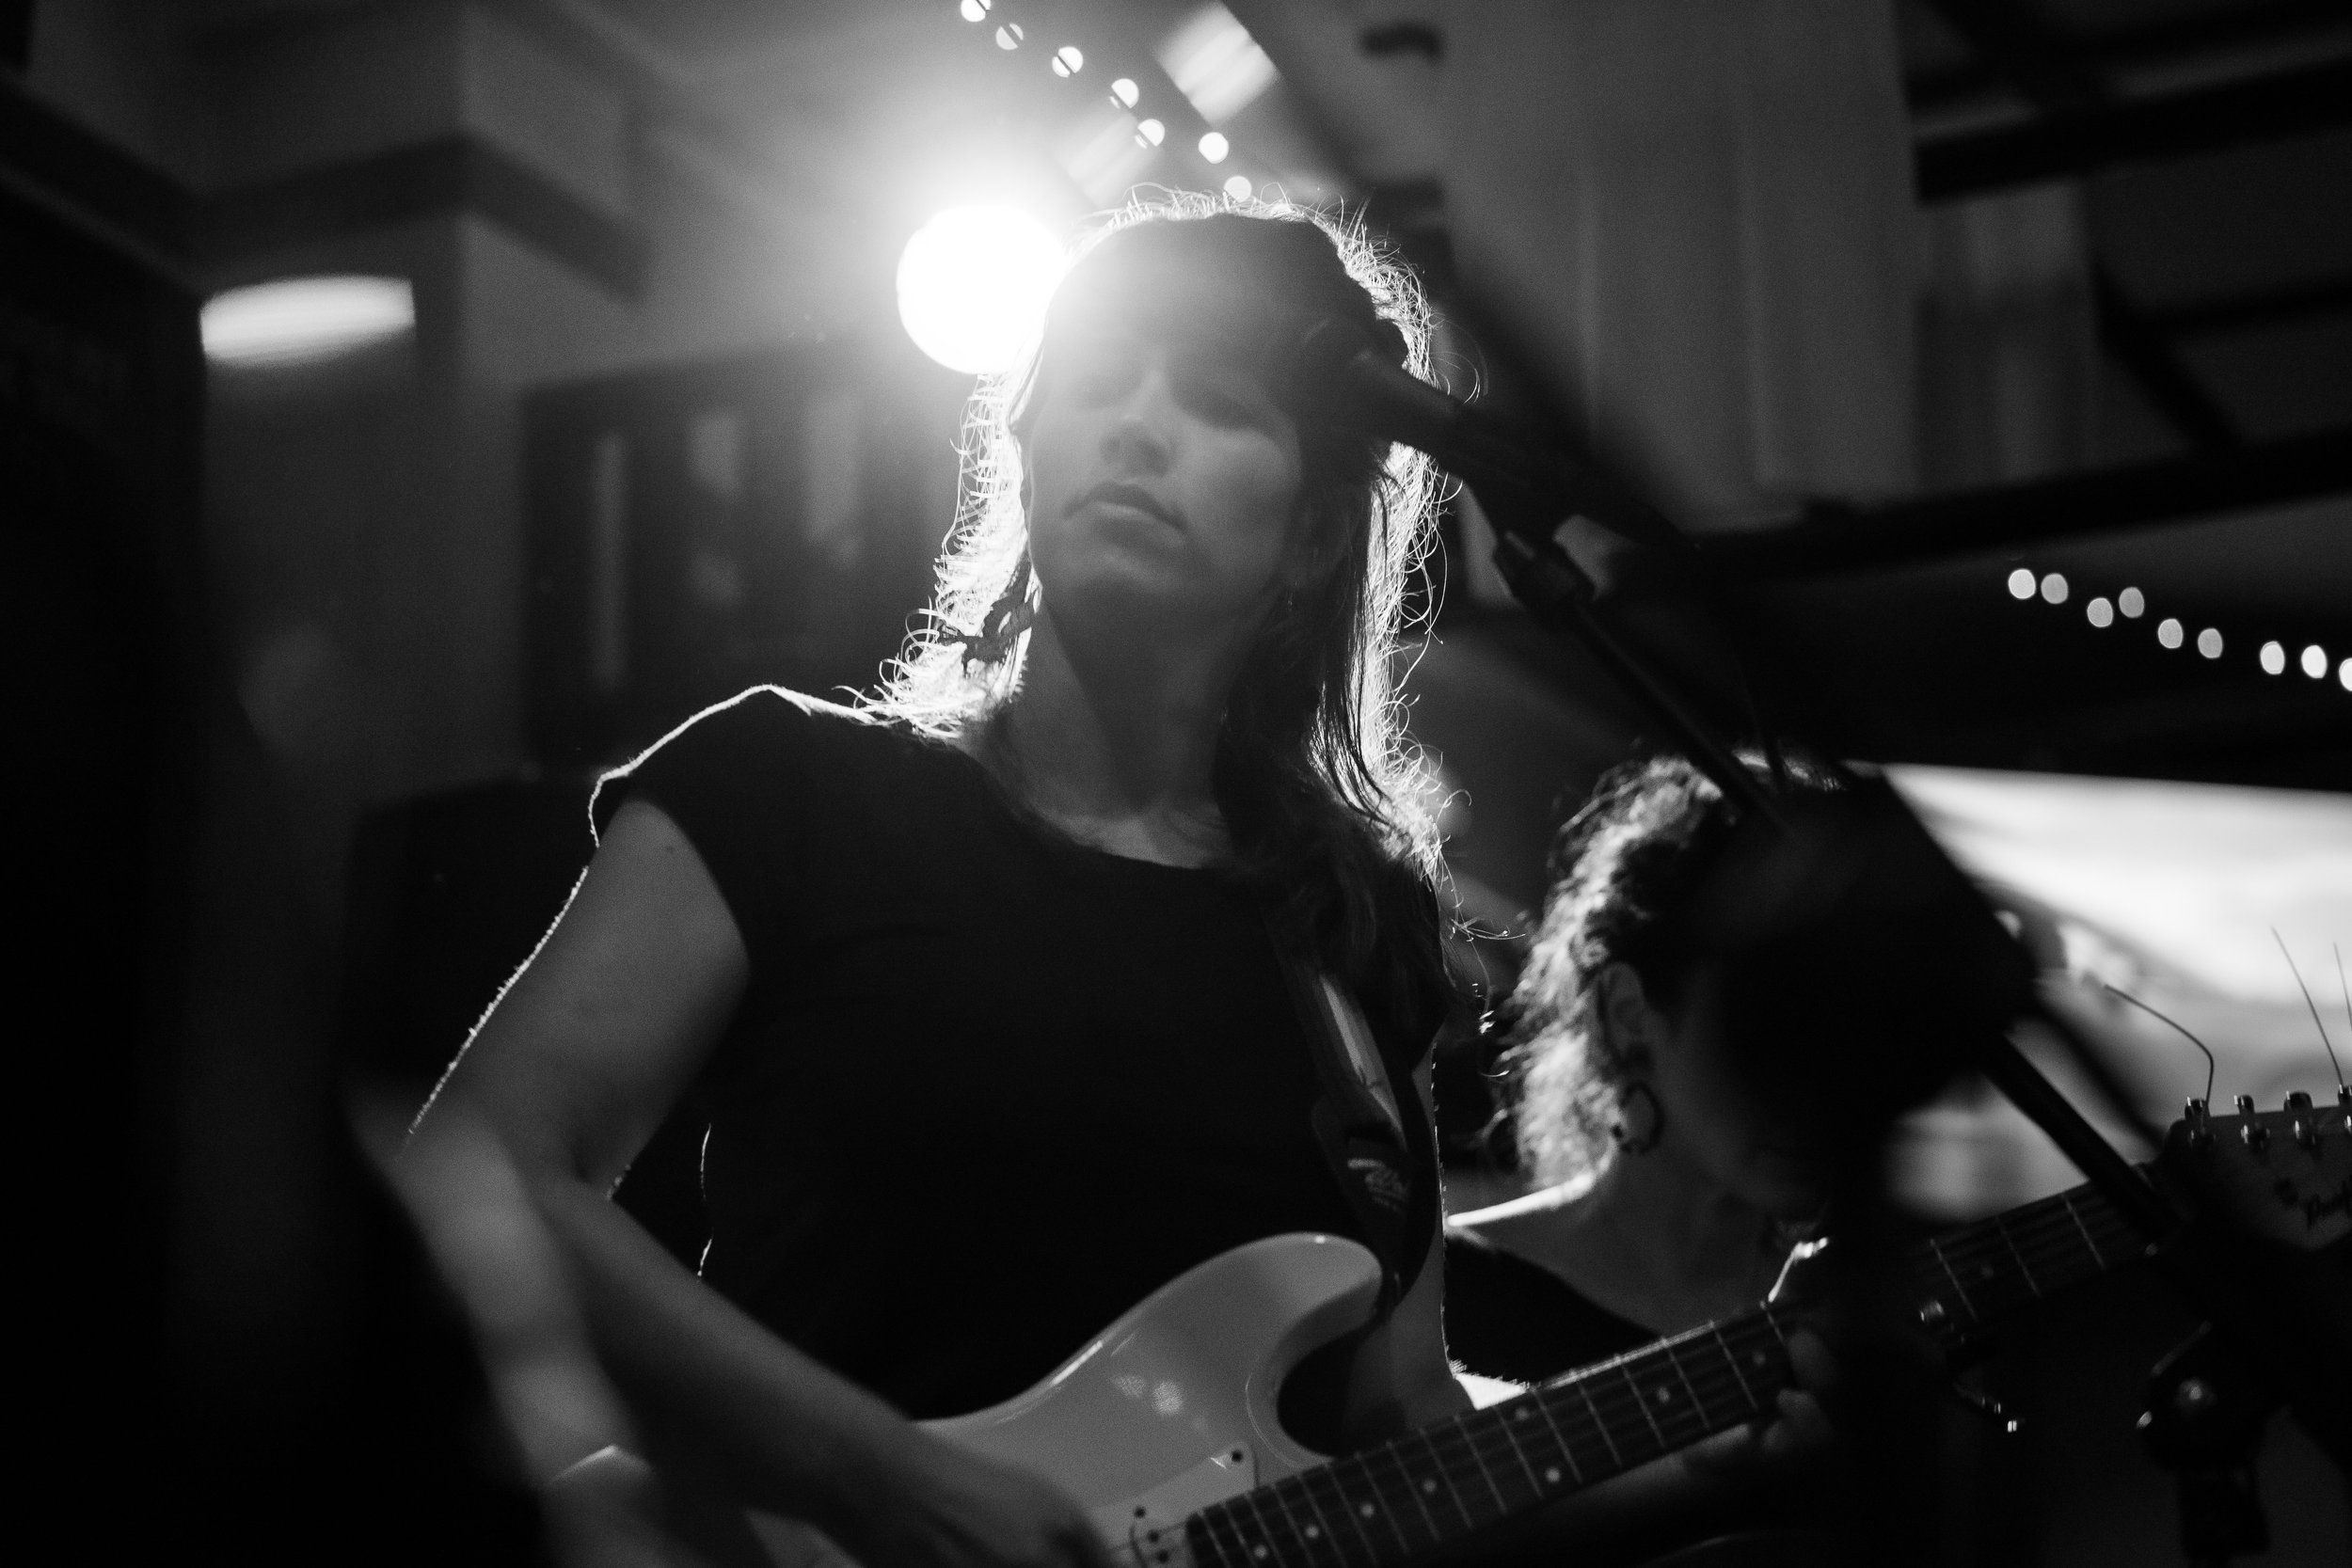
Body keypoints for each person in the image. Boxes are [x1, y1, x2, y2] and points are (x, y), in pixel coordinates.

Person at [410, 198, 1469, 1568]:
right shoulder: (792, 789)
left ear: (1317, 536)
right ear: (1025, 450)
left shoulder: (1349, 933)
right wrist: (886, 1480)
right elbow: (482, 1168)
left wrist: (1744, 1452)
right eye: (1096, 382)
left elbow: (1410, 1424)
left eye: (1214, 399)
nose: (1136, 425)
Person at [1448, 753, 1837, 1384]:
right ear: (1628, 1012)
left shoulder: (1860, 1318)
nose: (1823, 1078)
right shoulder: (1446, 1293)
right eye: (1774, 1023)